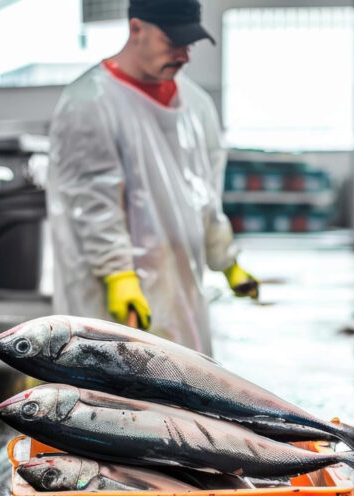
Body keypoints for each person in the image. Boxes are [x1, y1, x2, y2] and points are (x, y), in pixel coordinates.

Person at [46, 0, 258, 355]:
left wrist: (226, 261)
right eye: (173, 41)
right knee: (112, 397)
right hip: (115, 295)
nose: (185, 55)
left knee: (185, 387)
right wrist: (118, 275)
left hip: (181, 284)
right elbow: (91, 199)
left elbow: (205, 191)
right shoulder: (88, 101)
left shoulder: (196, 104)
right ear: (136, 29)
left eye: (189, 44)